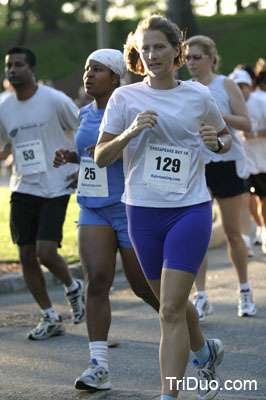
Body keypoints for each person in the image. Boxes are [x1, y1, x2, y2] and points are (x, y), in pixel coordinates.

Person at [94, 15, 231, 400]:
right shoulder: (124, 98)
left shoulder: (197, 96)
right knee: (171, 302)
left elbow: (224, 139)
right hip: (142, 212)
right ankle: (205, 353)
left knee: (169, 310)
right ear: (137, 53)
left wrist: (216, 142)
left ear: (177, 52)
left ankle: (168, 396)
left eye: (159, 47)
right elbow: (102, 156)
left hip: (190, 209)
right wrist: (130, 131)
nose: (151, 54)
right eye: (145, 48)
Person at [53, 48, 160, 392]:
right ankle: (99, 366)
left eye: (97, 69)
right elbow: (93, 156)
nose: (88, 75)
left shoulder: (131, 108)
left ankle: (190, 335)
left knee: (144, 286)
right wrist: (73, 159)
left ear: (116, 77)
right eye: (86, 69)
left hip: (129, 205)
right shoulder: (84, 113)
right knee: (97, 280)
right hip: (93, 206)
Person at [0, 47, 85, 340]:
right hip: (23, 186)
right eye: (9, 65)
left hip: (56, 185)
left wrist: (82, 170)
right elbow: (4, 146)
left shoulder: (55, 100)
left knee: (46, 251)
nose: (12, 70)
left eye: (19, 65)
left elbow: (85, 132)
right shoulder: (4, 106)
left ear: (32, 69)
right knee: (26, 254)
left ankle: (73, 287)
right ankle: (49, 316)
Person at [185, 35, 256, 321]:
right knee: (197, 233)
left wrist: (217, 115)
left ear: (211, 58)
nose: (191, 62)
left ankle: (244, 290)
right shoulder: (184, 88)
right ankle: (201, 296)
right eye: (188, 57)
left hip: (225, 162)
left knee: (231, 232)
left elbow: (246, 123)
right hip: (196, 165)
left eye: (197, 56)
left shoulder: (225, 84)